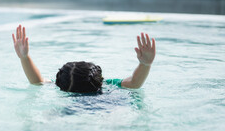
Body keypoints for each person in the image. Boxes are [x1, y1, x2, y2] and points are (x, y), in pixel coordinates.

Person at [12, 25, 156, 93]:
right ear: (99, 79)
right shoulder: (107, 86)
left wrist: (24, 58)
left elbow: (38, 82)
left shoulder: (64, 86)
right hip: (107, 107)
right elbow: (134, 83)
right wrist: (145, 64)